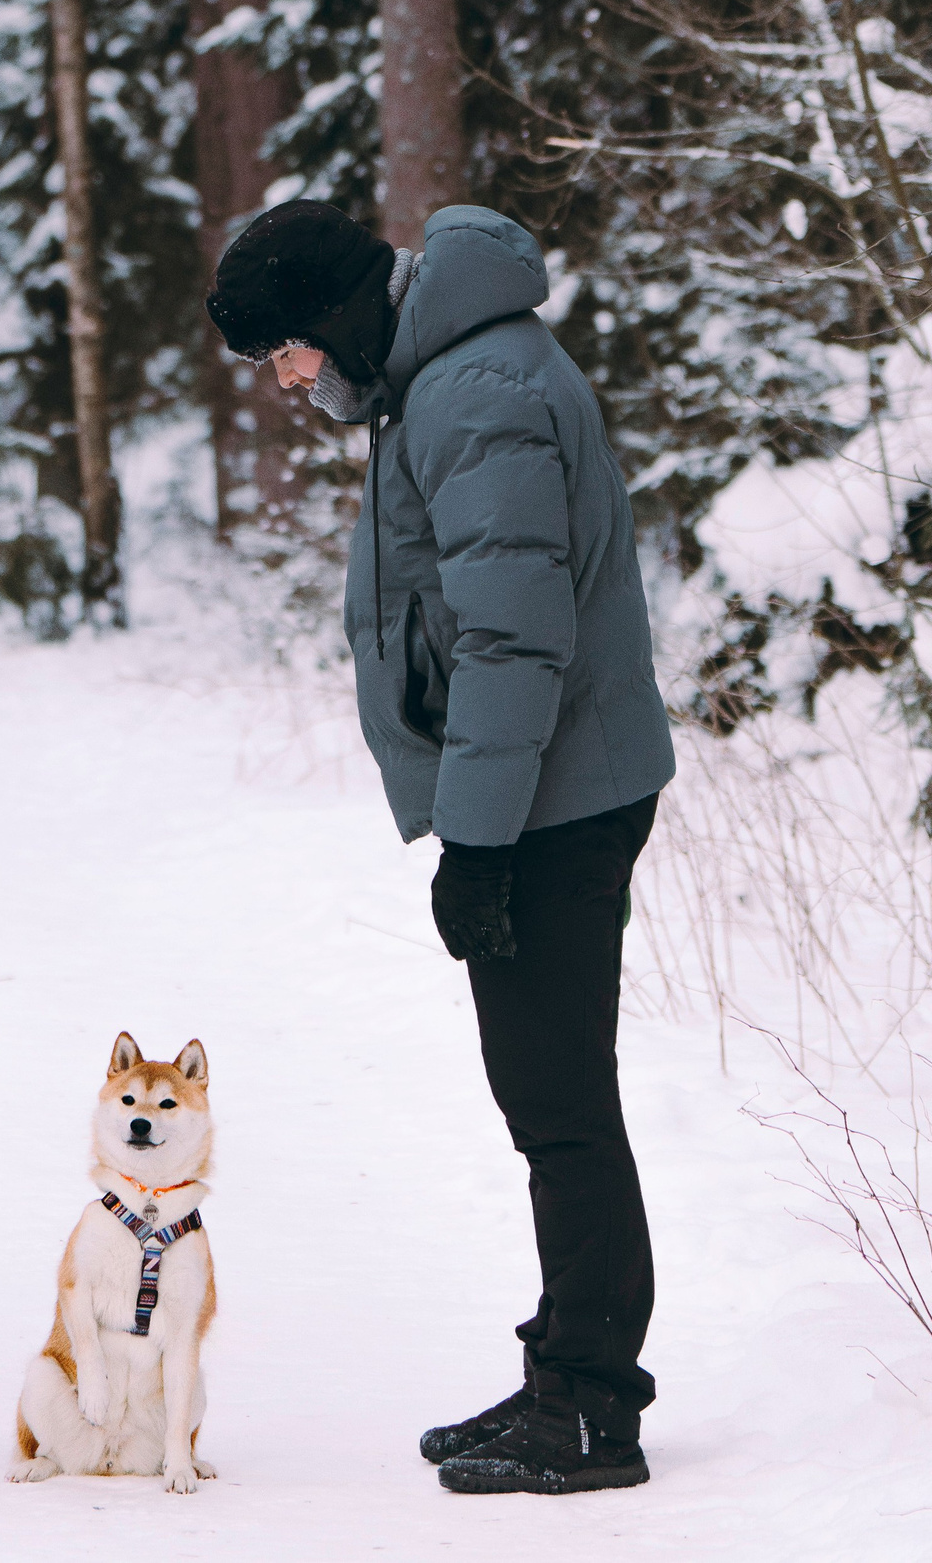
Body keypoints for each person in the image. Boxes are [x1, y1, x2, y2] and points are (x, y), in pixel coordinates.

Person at [207, 202, 677, 1496]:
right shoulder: (445, 373)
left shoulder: (474, 392)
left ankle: (588, 1405)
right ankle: (563, 1371)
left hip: (551, 805)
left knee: (559, 1103)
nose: (289, 379)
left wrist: (475, 845)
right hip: (541, 792)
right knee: (548, 1095)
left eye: (285, 351)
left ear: (334, 315)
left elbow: (515, 641)